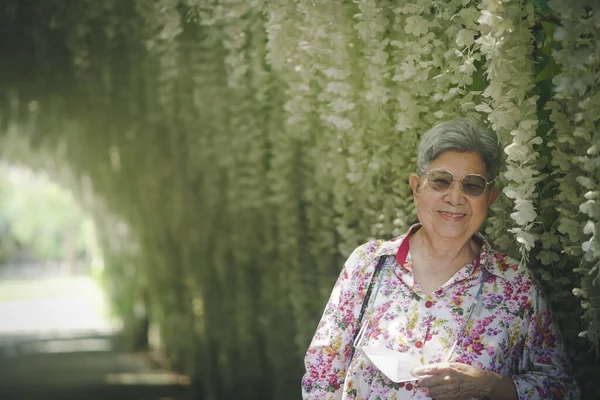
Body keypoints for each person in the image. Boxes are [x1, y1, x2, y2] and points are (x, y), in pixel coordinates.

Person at [301, 119, 580, 400]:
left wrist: (491, 385)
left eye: (472, 185)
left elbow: (562, 390)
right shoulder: (368, 265)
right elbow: (322, 375)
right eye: (440, 181)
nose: (455, 197)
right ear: (416, 187)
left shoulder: (517, 287)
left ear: (490, 198)